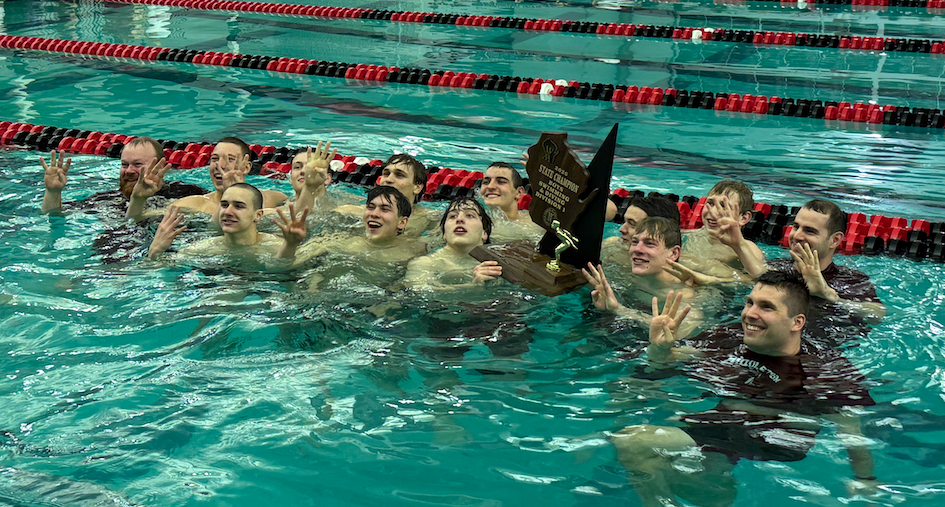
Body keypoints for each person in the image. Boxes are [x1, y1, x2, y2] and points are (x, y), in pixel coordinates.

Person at [612, 271, 878, 506]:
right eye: (750, 302)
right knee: (697, 482)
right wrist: (659, 348)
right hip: (725, 422)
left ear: (796, 322)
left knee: (634, 441)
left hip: (776, 436)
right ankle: (715, 482)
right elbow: (672, 359)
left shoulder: (824, 370)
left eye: (766, 307)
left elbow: (851, 429)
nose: (750, 313)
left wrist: (864, 480)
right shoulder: (729, 337)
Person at [728, 199, 886, 327]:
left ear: (835, 240)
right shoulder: (778, 267)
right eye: (796, 226)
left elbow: (878, 315)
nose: (796, 235)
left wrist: (828, 295)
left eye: (809, 231)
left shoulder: (850, 279)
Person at [583, 217, 702, 332]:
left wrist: (619, 309)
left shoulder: (684, 296)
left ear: (673, 253)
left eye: (649, 244)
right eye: (634, 242)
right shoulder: (626, 275)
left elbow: (676, 330)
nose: (637, 249)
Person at [39, 137, 204, 216]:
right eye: (125, 165)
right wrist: (53, 192)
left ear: (160, 167)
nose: (129, 171)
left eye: (138, 165)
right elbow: (53, 215)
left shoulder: (187, 193)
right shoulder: (107, 200)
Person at [147, 183, 306, 260]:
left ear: (258, 216)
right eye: (224, 205)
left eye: (238, 206)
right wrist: (155, 250)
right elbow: (157, 270)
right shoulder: (203, 249)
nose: (228, 212)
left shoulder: (274, 246)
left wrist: (290, 245)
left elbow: (285, 269)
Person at [151, 137, 287, 216]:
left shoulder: (272, 199)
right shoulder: (195, 205)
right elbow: (139, 217)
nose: (219, 165)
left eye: (230, 159)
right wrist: (138, 198)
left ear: (246, 167)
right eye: (215, 159)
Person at [402, 197, 498, 289]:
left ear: (484, 232)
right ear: (445, 234)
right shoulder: (425, 264)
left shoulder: (498, 263)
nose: (459, 219)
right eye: (452, 216)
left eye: (469, 215)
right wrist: (473, 286)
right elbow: (417, 293)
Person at [681, 180, 765, 278]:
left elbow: (763, 280)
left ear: (743, 218)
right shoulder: (684, 237)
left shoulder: (749, 249)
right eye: (711, 204)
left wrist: (711, 270)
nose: (713, 211)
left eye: (724, 206)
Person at [332, 153, 433, 235]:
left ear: (417, 187)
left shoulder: (430, 218)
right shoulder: (355, 211)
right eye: (386, 174)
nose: (388, 180)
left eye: (399, 175)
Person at [601, 194, 681, 265]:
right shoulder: (610, 245)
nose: (622, 229)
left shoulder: (685, 264)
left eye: (632, 224)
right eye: (624, 222)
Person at [478, 162, 543, 242]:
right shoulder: (476, 224)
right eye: (486, 182)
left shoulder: (537, 223)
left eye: (501, 182)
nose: (490, 186)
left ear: (519, 192)